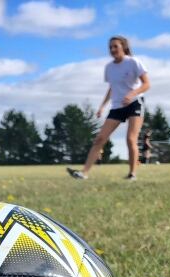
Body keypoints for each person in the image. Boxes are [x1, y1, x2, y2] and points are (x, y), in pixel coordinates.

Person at [67, 36, 150, 181]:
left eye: (115, 46)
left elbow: (146, 84)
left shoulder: (133, 62)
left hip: (135, 102)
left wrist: (132, 94)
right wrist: (102, 106)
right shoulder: (109, 68)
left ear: (123, 47)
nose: (112, 50)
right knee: (100, 139)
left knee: (131, 139)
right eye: (110, 47)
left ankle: (132, 174)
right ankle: (83, 173)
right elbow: (112, 88)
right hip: (117, 105)